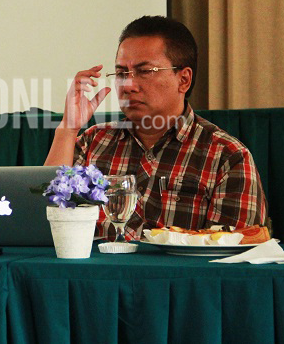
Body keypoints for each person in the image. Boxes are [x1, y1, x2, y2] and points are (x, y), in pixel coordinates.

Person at [45, 16, 267, 239]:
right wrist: (68, 129)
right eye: (122, 73)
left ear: (184, 80)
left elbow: (231, 253)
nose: (129, 85)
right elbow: (44, 220)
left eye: (145, 71)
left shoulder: (227, 156)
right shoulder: (93, 141)